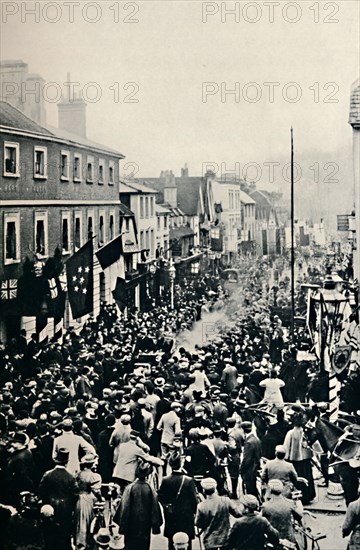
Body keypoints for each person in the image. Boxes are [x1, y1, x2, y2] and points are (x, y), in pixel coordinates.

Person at [39, 447, 79, 550]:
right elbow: (75, 495)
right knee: (64, 532)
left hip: (50, 506)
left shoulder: (47, 474)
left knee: (49, 532)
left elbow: (42, 490)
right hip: (65, 507)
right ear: (66, 462)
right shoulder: (70, 477)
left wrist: (45, 502)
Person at [117, 461, 163, 550]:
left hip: (131, 524)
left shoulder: (130, 488)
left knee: (129, 546)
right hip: (145, 525)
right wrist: (155, 526)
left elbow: (125, 508)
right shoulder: (150, 488)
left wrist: (123, 526)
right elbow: (154, 509)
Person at [158, 452, 198, 550]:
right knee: (186, 543)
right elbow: (194, 501)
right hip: (186, 517)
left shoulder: (165, 480)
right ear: (181, 464)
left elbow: (161, 497)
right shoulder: (188, 480)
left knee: (172, 543)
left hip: (171, 516)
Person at [195, 477, 241, 549]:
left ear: (203, 490)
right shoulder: (225, 500)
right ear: (215, 489)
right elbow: (238, 514)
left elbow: (198, 524)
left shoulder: (201, 506)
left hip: (210, 541)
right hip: (225, 538)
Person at [283, 414, 315, 504]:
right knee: (307, 477)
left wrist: (285, 458)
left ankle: (298, 497)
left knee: (297, 478)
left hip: (294, 460)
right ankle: (308, 496)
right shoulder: (305, 432)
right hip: (305, 459)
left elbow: (286, 447)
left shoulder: (290, 433)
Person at [261, 479, 302, 544]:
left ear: (270, 490)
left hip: (273, 539)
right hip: (288, 538)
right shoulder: (290, 503)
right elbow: (299, 516)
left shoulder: (265, 506)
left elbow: (261, 522)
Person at [74, 453, 102, 549]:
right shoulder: (94, 476)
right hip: (88, 500)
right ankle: (88, 544)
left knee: (79, 521)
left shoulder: (78, 474)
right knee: (89, 522)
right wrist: (100, 498)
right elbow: (96, 490)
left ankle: (79, 543)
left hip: (78, 499)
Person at [240, 421, 261, 497]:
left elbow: (246, 460)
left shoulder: (248, 442)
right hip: (255, 468)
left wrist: (242, 470)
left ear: (243, 430)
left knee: (250, 492)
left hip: (250, 471)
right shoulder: (256, 439)